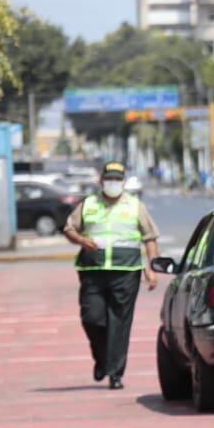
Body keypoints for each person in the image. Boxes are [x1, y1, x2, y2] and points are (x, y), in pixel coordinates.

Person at [62, 161, 161, 390]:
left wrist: (152, 268)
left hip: (126, 272)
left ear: (124, 182)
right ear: (101, 181)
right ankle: (102, 359)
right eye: (109, 179)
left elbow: (150, 238)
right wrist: (79, 240)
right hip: (92, 271)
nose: (113, 183)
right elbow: (69, 228)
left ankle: (115, 373)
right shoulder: (88, 204)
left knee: (120, 322)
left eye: (117, 179)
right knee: (92, 318)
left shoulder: (135, 206)